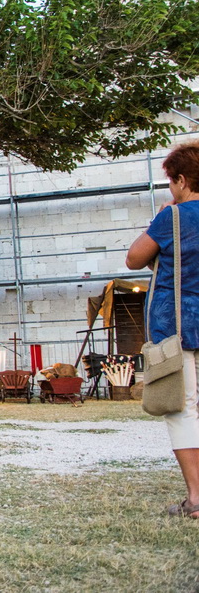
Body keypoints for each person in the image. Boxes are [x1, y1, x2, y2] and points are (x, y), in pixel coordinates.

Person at [127, 139, 199, 520]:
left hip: (178, 327)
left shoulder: (173, 217)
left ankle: (196, 498)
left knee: (183, 410)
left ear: (183, 181)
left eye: (171, 181)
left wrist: (164, 215)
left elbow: (134, 259)